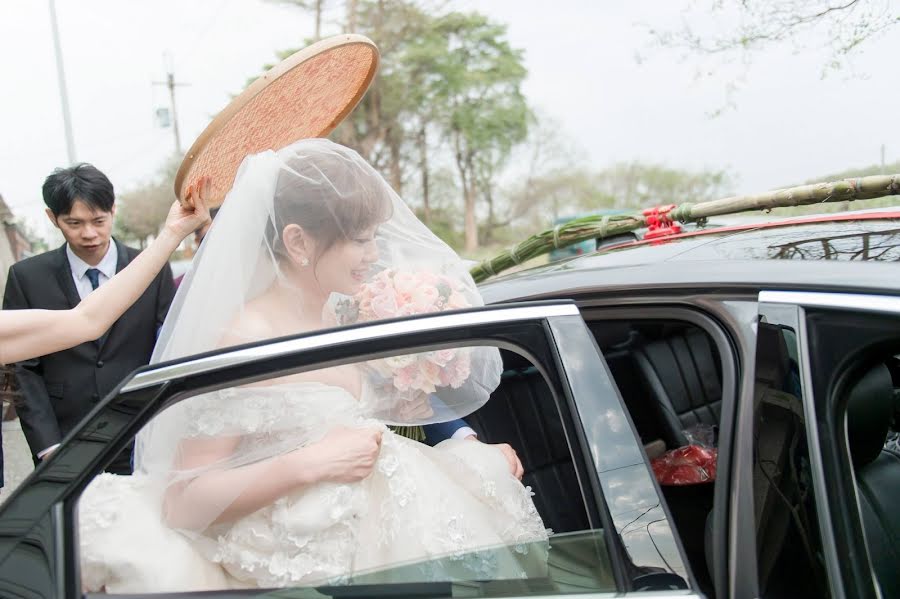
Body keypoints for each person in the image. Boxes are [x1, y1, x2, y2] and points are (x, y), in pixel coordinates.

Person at [77, 139, 547, 593]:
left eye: (374, 237)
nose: (374, 254)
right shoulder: (246, 341)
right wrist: (305, 465)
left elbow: (372, 402)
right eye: (360, 240)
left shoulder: (342, 310)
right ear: (299, 242)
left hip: (387, 534)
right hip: (311, 566)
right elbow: (184, 501)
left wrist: (462, 440)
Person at [1, 164, 207, 477]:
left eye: (98, 220)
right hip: (65, 436)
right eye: (74, 223)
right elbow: (24, 368)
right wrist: (47, 445)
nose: (89, 233)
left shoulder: (151, 269)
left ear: (112, 210)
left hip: (140, 429)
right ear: (52, 218)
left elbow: (168, 344)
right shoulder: (27, 277)